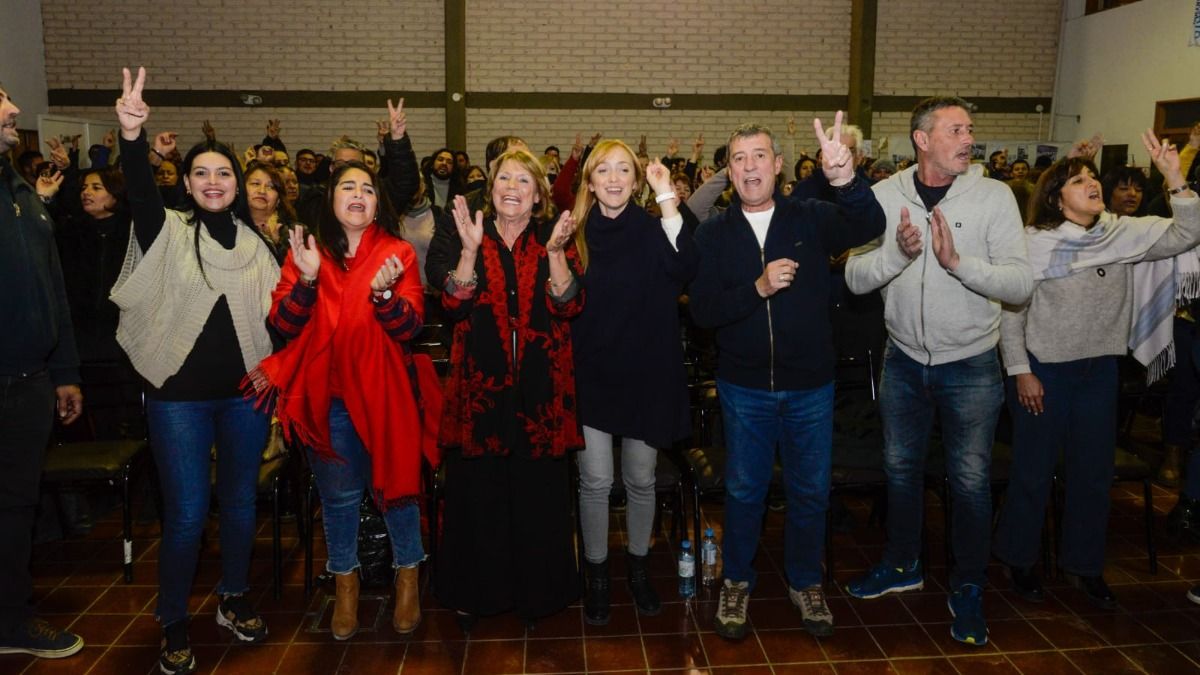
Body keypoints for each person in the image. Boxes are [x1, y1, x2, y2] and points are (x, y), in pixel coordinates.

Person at [843, 96, 1033, 647]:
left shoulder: (994, 196)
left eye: (970, 129)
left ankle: (968, 585)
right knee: (899, 470)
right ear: (922, 139)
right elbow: (855, 276)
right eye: (956, 129)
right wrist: (897, 257)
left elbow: (1021, 285)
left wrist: (958, 265)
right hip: (902, 359)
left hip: (972, 362)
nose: (968, 138)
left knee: (969, 482)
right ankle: (904, 563)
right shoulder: (883, 195)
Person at [689, 114, 885, 640]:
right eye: (738, 159)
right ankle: (736, 580)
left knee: (810, 492)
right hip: (743, 387)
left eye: (759, 156)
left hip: (809, 387)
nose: (749, 167)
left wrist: (846, 178)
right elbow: (703, 311)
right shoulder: (714, 234)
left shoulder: (809, 217)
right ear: (728, 172)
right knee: (745, 490)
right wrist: (756, 287)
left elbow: (869, 226)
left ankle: (805, 582)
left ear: (777, 165)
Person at [111, 67, 280, 675]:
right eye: (202, 173)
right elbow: (135, 191)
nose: (214, 182)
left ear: (237, 185)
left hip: (244, 398)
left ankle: (233, 599)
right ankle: (173, 620)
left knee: (238, 505)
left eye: (224, 173)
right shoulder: (167, 230)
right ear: (186, 182)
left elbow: (278, 320)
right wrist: (132, 137)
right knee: (185, 515)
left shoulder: (258, 245)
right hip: (177, 399)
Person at [995, 135, 1199, 609]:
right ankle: (1018, 558)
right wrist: (1021, 370)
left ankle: (1083, 566)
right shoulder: (1034, 245)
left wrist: (1173, 174)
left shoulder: (1120, 235)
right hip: (1044, 371)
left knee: (1092, 475)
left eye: (1092, 178)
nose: (1092, 184)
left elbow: (1187, 234)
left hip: (1099, 372)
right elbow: (1011, 314)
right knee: (1032, 471)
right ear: (1055, 197)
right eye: (1078, 180)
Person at [247, 152, 438, 639]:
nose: (359, 195)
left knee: (398, 492)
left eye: (369, 189)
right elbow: (284, 325)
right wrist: (308, 280)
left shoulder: (399, 253)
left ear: (379, 205)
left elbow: (411, 326)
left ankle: (408, 580)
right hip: (327, 398)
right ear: (331, 198)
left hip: (385, 393)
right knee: (339, 498)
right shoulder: (308, 252)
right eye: (349, 187)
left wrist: (383, 297)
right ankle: (346, 587)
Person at [429, 149, 583, 631]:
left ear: (538, 194)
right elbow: (453, 305)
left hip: (540, 389)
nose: (512, 186)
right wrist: (470, 250)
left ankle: (537, 595)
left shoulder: (553, 236)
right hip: (481, 390)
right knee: (480, 497)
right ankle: (478, 593)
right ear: (490, 189)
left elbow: (570, 305)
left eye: (523, 180)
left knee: (538, 500)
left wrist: (556, 252)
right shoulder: (468, 234)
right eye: (503, 178)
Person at [570, 141, 698, 626]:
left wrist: (667, 195)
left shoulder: (653, 228)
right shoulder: (576, 232)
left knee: (641, 480)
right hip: (593, 375)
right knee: (596, 481)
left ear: (638, 179)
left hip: (646, 373)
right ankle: (598, 575)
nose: (615, 177)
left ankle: (639, 570)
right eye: (604, 169)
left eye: (625, 169)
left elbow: (686, 264)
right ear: (590, 181)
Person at [0, 83, 86, 661]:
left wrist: (65, 371)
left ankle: (10, 619)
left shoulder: (21, 193)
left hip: (28, 385)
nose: (12, 111)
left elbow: (54, 289)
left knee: (15, 508)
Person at [243, 161, 295, 262]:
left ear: (279, 199)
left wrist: (276, 245)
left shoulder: (294, 233)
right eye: (255, 184)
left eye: (270, 187)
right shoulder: (228, 226)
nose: (262, 191)